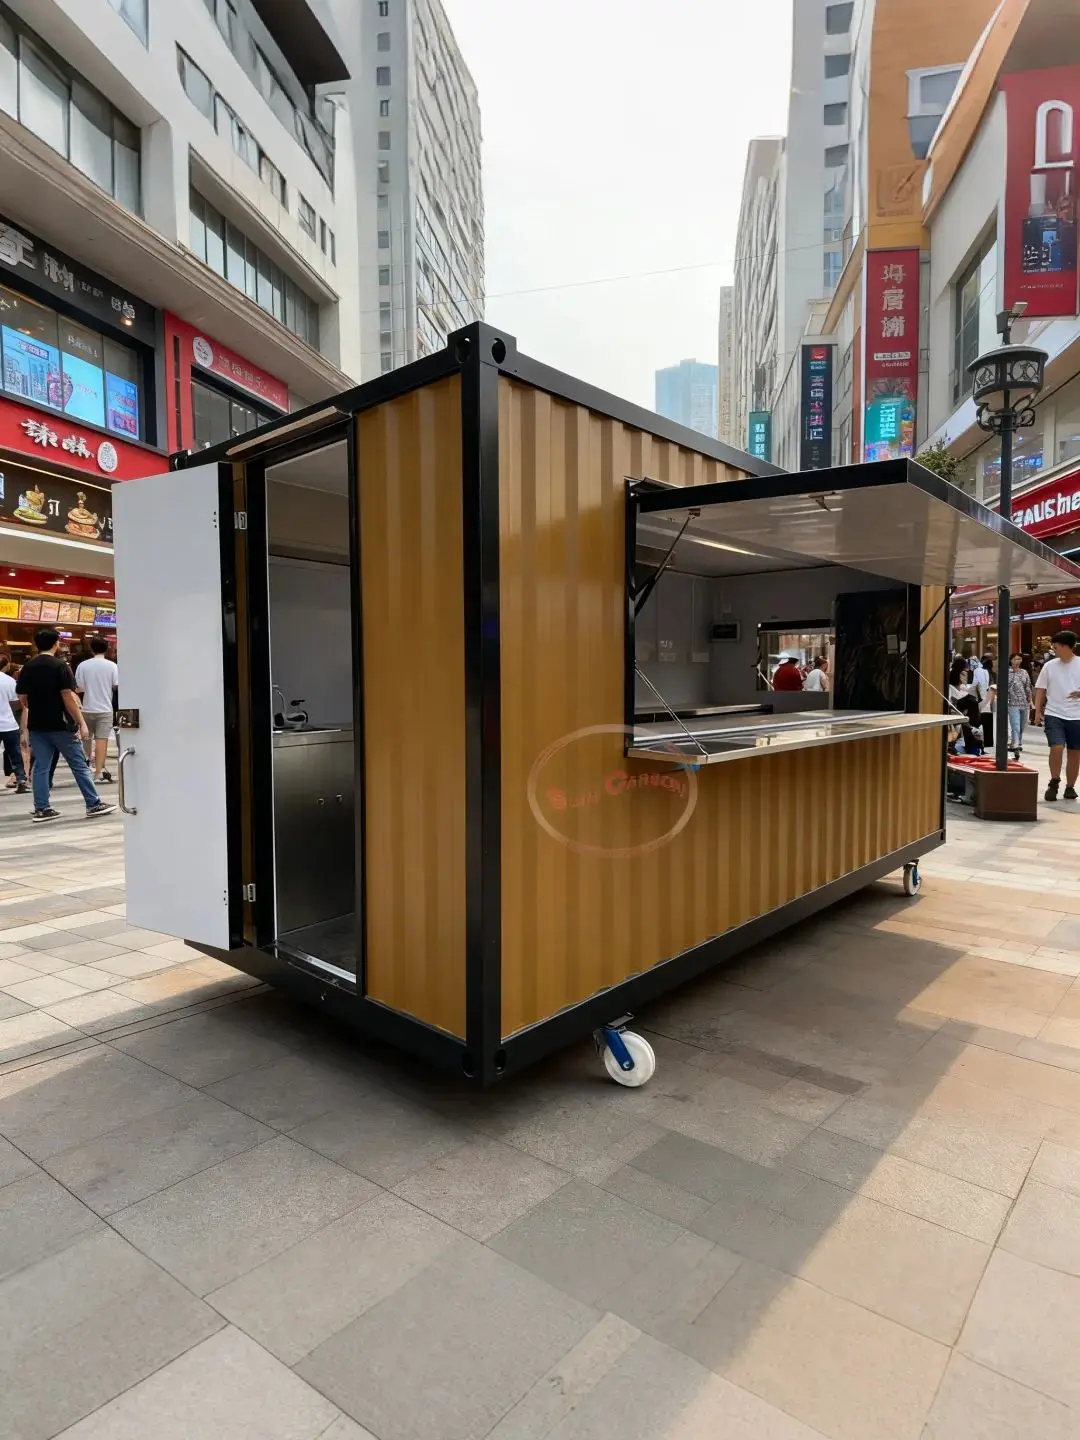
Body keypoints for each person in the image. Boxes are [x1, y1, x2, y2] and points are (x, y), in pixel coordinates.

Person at [15, 628, 114, 823]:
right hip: (60, 724)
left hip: (37, 725)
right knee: (78, 765)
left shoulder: (28, 666)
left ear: (35, 644)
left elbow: (22, 697)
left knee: (41, 767)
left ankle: (42, 808)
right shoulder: (60, 666)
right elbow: (67, 695)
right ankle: (93, 803)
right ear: (56, 643)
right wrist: (81, 722)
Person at [1034, 629, 1080, 802]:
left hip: (1077, 715)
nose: (1054, 649)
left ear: (1067, 646)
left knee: (1075, 753)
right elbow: (1041, 689)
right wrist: (1038, 711)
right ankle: (1054, 781)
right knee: (1057, 747)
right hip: (1054, 713)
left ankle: (1070, 787)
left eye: (1056, 646)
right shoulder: (1049, 666)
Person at [75, 637, 117, 785]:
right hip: (105, 709)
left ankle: (86, 771)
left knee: (86, 739)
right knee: (102, 741)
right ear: (107, 649)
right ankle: (99, 772)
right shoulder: (112, 666)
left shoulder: (83, 666)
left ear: (91, 649)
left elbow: (79, 687)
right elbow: (116, 685)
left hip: (87, 708)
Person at [0, 655, 27, 794]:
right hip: (8, 723)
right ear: (6, 666)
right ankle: (21, 780)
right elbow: (16, 703)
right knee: (15, 753)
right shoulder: (9, 681)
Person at [1006, 652, 1033, 760]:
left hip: (1024, 703)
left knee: (1022, 726)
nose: (1018, 661)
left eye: (1019, 659)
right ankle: (1015, 745)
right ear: (1011, 660)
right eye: (1015, 659)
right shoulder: (1007, 672)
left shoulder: (1024, 672)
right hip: (1012, 703)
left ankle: (1017, 742)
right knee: (1015, 725)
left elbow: (1028, 686)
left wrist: (1030, 700)